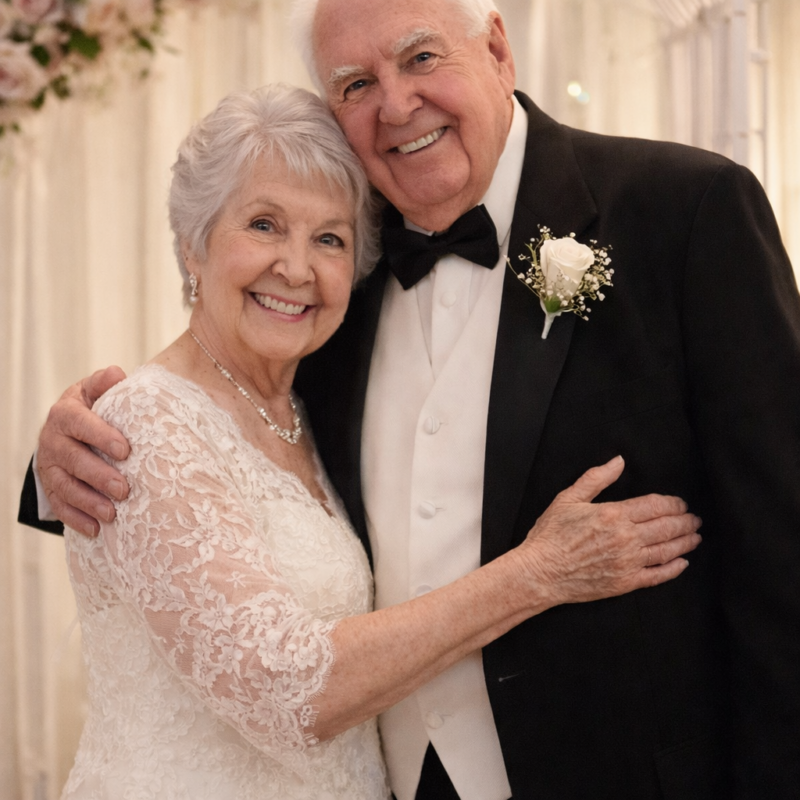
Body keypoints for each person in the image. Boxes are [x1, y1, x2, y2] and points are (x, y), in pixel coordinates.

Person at [18, 0, 800, 797]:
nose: (395, 105)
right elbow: (207, 409)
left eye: (421, 57)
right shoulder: (337, 268)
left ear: (497, 49)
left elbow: (782, 548)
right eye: (355, 84)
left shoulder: (684, 210)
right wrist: (66, 453)